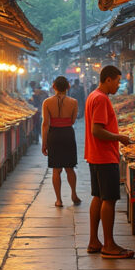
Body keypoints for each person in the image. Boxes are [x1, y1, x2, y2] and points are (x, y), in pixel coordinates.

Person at [84, 65, 133, 259]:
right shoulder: (102, 99)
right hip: (104, 156)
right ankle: (109, 244)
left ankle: (94, 241)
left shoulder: (92, 96)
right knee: (109, 199)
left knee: (98, 196)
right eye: (118, 81)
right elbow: (97, 130)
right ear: (108, 80)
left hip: (95, 155)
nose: (119, 86)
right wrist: (119, 137)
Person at [42, 76, 80, 207]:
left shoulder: (47, 102)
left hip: (54, 135)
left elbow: (45, 124)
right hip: (68, 134)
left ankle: (58, 200)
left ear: (54, 87)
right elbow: (73, 120)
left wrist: (44, 143)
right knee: (70, 167)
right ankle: (74, 194)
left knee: (56, 169)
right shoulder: (73, 102)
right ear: (68, 87)